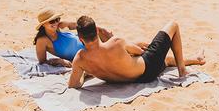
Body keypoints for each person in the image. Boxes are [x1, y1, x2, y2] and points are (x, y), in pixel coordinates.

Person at [68, 16, 205, 88]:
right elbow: (139, 51)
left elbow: (73, 85)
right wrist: (134, 45)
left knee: (165, 60)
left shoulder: (79, 59)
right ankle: (182, 70)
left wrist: (86, 74)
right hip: (148, 70)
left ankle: (195, 59)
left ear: (80, 38)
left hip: (128, 80)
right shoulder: (116, 42)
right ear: (97, 31)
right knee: (173, 25)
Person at [34, 9, 112, 67]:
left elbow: (81, 26)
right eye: (51, 21)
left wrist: (67, 23)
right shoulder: (42, 40)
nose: (55, 23)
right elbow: (42, 62)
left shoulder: (59, 26)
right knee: (110, 50)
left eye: (57, 19)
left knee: (101, 31)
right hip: (87, 51)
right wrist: (61, 61)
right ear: (43, 24)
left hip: (87, 41)